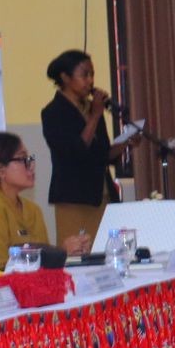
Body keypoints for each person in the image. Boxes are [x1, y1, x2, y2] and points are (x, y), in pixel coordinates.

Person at [0, 133, 90, 273]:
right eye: (23, 159)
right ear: (1, 171)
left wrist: (68, 255)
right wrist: (61, 252)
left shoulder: (32, 209)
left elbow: (43, 264)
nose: (31, 166)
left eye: (30, 158)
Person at [41, 49, 135, 243]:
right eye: (84, 75)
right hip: (74, 198)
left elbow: (104, 155)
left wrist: (127, 143)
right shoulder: (53, 112)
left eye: (92, 74)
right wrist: (95, 116)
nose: (90, 81)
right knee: (79, 255)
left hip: (103, 196)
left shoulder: (93, 109)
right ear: (65, 77)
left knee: (109, 252)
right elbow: (74, 151)